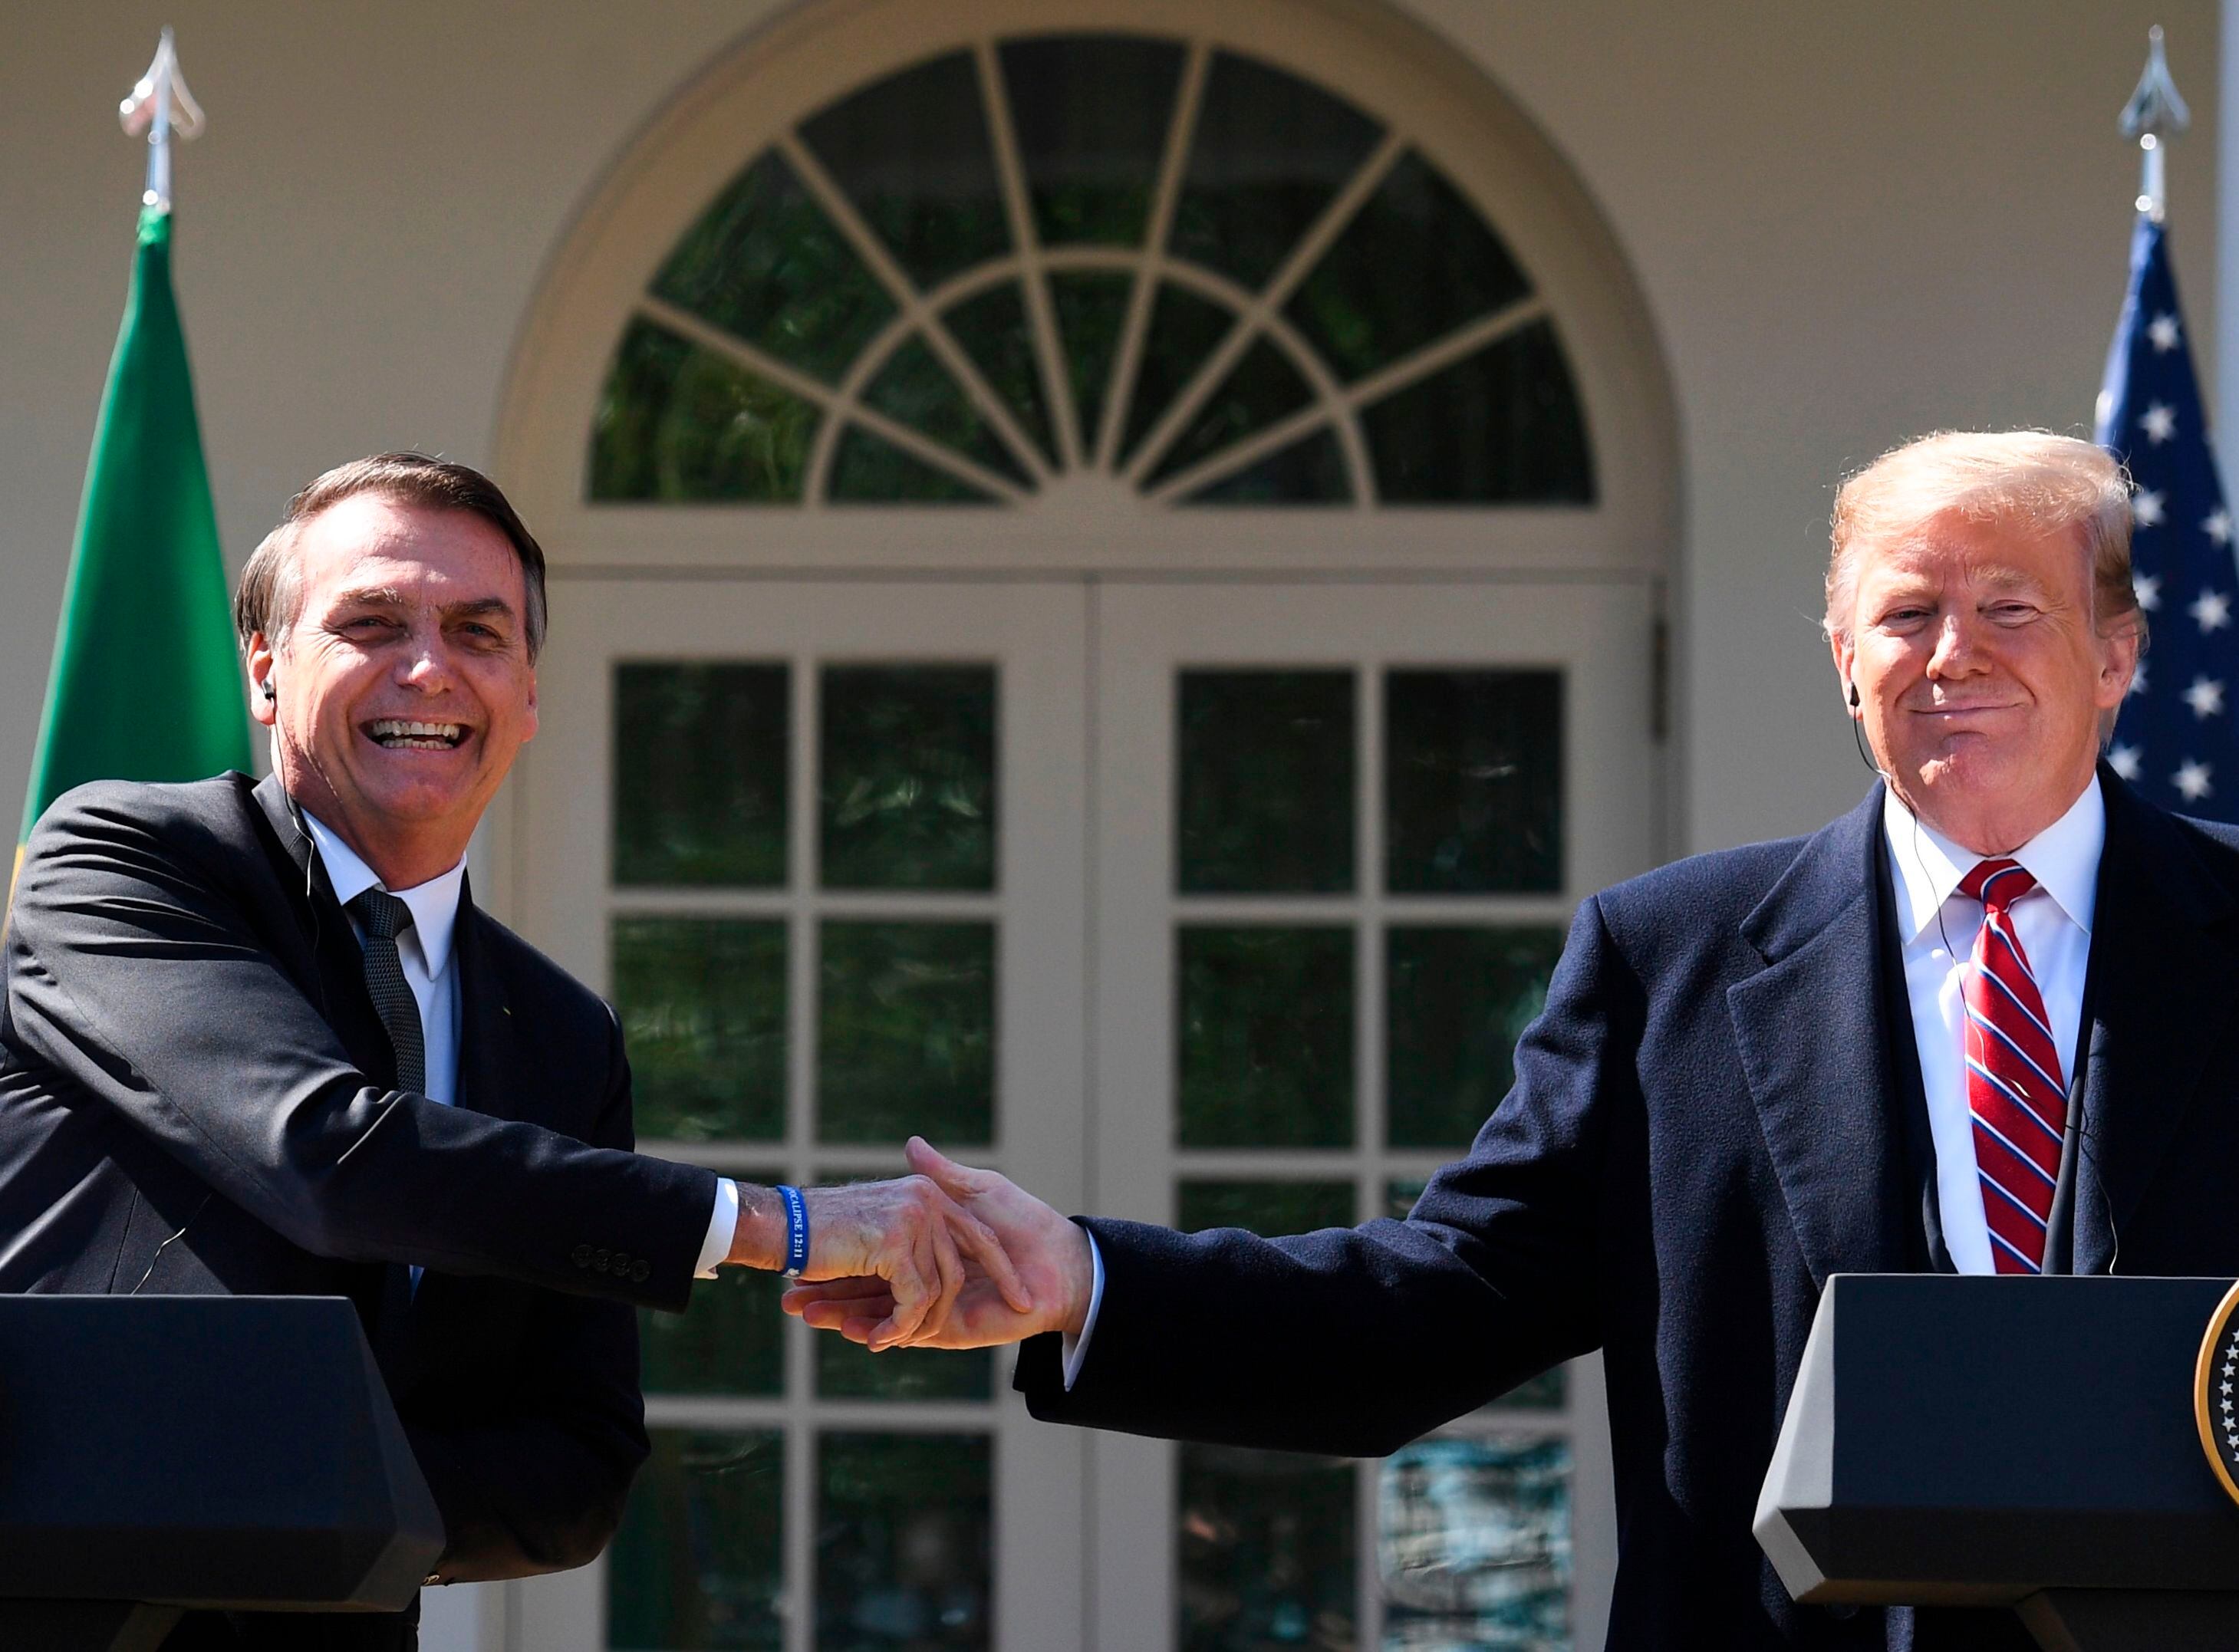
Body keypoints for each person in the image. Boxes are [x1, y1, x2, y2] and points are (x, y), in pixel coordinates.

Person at [788, 430, 2239, 1650]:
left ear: (2118, 653)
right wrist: (1083, 1280)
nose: (1952, 655)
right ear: (1845, 658)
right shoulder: (1670, 960)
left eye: (2011, 608)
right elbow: (1436, 1303)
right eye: (1909, 612)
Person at [0, 454, 1022, 1651]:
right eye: (372, 623)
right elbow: (327, 1156)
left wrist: (321, 1494)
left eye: (479, 633)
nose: (429, 667)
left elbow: (581, 1459)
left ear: (528, 693)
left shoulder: (561, 1033)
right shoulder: (122, 861)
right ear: (267, 672)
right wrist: (777, 1225)